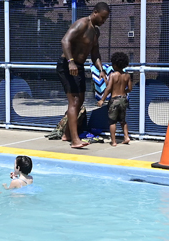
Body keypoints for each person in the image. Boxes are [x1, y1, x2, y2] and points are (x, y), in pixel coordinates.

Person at [58, 2, 111, 149]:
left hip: (79, 66)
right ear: (95, 12)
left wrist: (101, 70)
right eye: (102, 17)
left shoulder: (96, 32)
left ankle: (67, 134)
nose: (103, 21)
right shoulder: (82, 24)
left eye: (106, 19)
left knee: (80, 100)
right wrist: (70, 62)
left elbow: (95, 54)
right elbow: (65, 40)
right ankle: (75, 140)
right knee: (74, 101)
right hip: (67, 65)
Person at [98, 52, 133, 146]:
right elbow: (130, 89)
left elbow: (109, 88)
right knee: (122, 120)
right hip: (123, 99)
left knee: (112, 121)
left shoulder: (113, 75)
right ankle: (126, 137)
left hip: (114, 100)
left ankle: (113, 141)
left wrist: (102, 99)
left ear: (115, 65)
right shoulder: (127, 75)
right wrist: (123, 91)